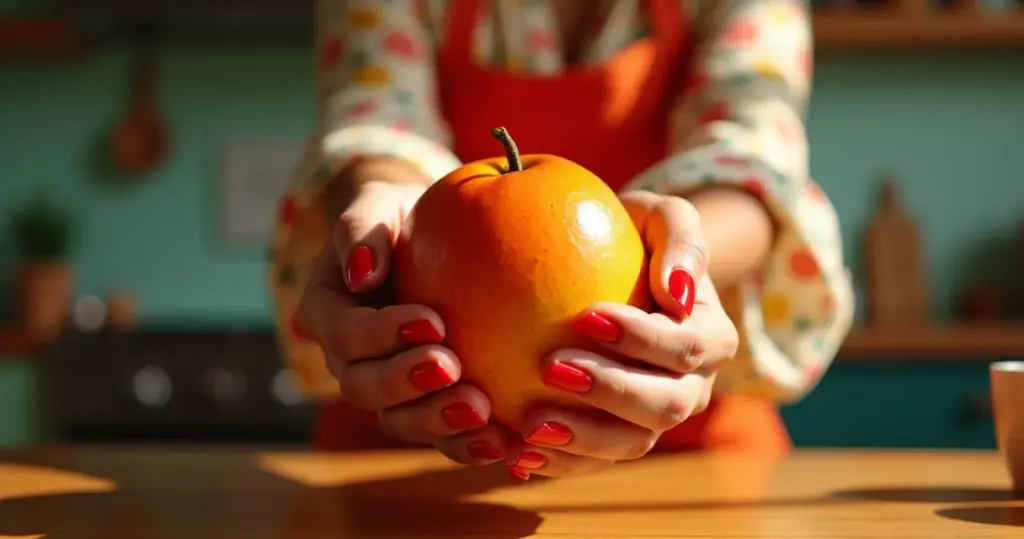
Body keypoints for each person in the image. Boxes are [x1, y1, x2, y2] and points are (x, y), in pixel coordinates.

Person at [268, 0, 854, 480]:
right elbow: (377, 121)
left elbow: (752, 157)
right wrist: (381, 216)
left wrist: (680, 266)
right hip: (408, 440)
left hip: (686, 452)